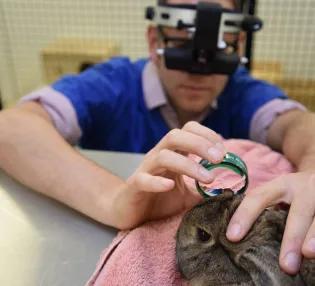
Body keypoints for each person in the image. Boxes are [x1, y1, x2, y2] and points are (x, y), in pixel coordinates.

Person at [0, 0, 315, 276]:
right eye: (181, 45)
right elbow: (10, 127)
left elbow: (298, 125)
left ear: (239, 44)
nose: (198, 71)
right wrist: (114, 199)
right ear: (154, 40)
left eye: (218, 50)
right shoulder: (115, 83)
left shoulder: (243, 92)